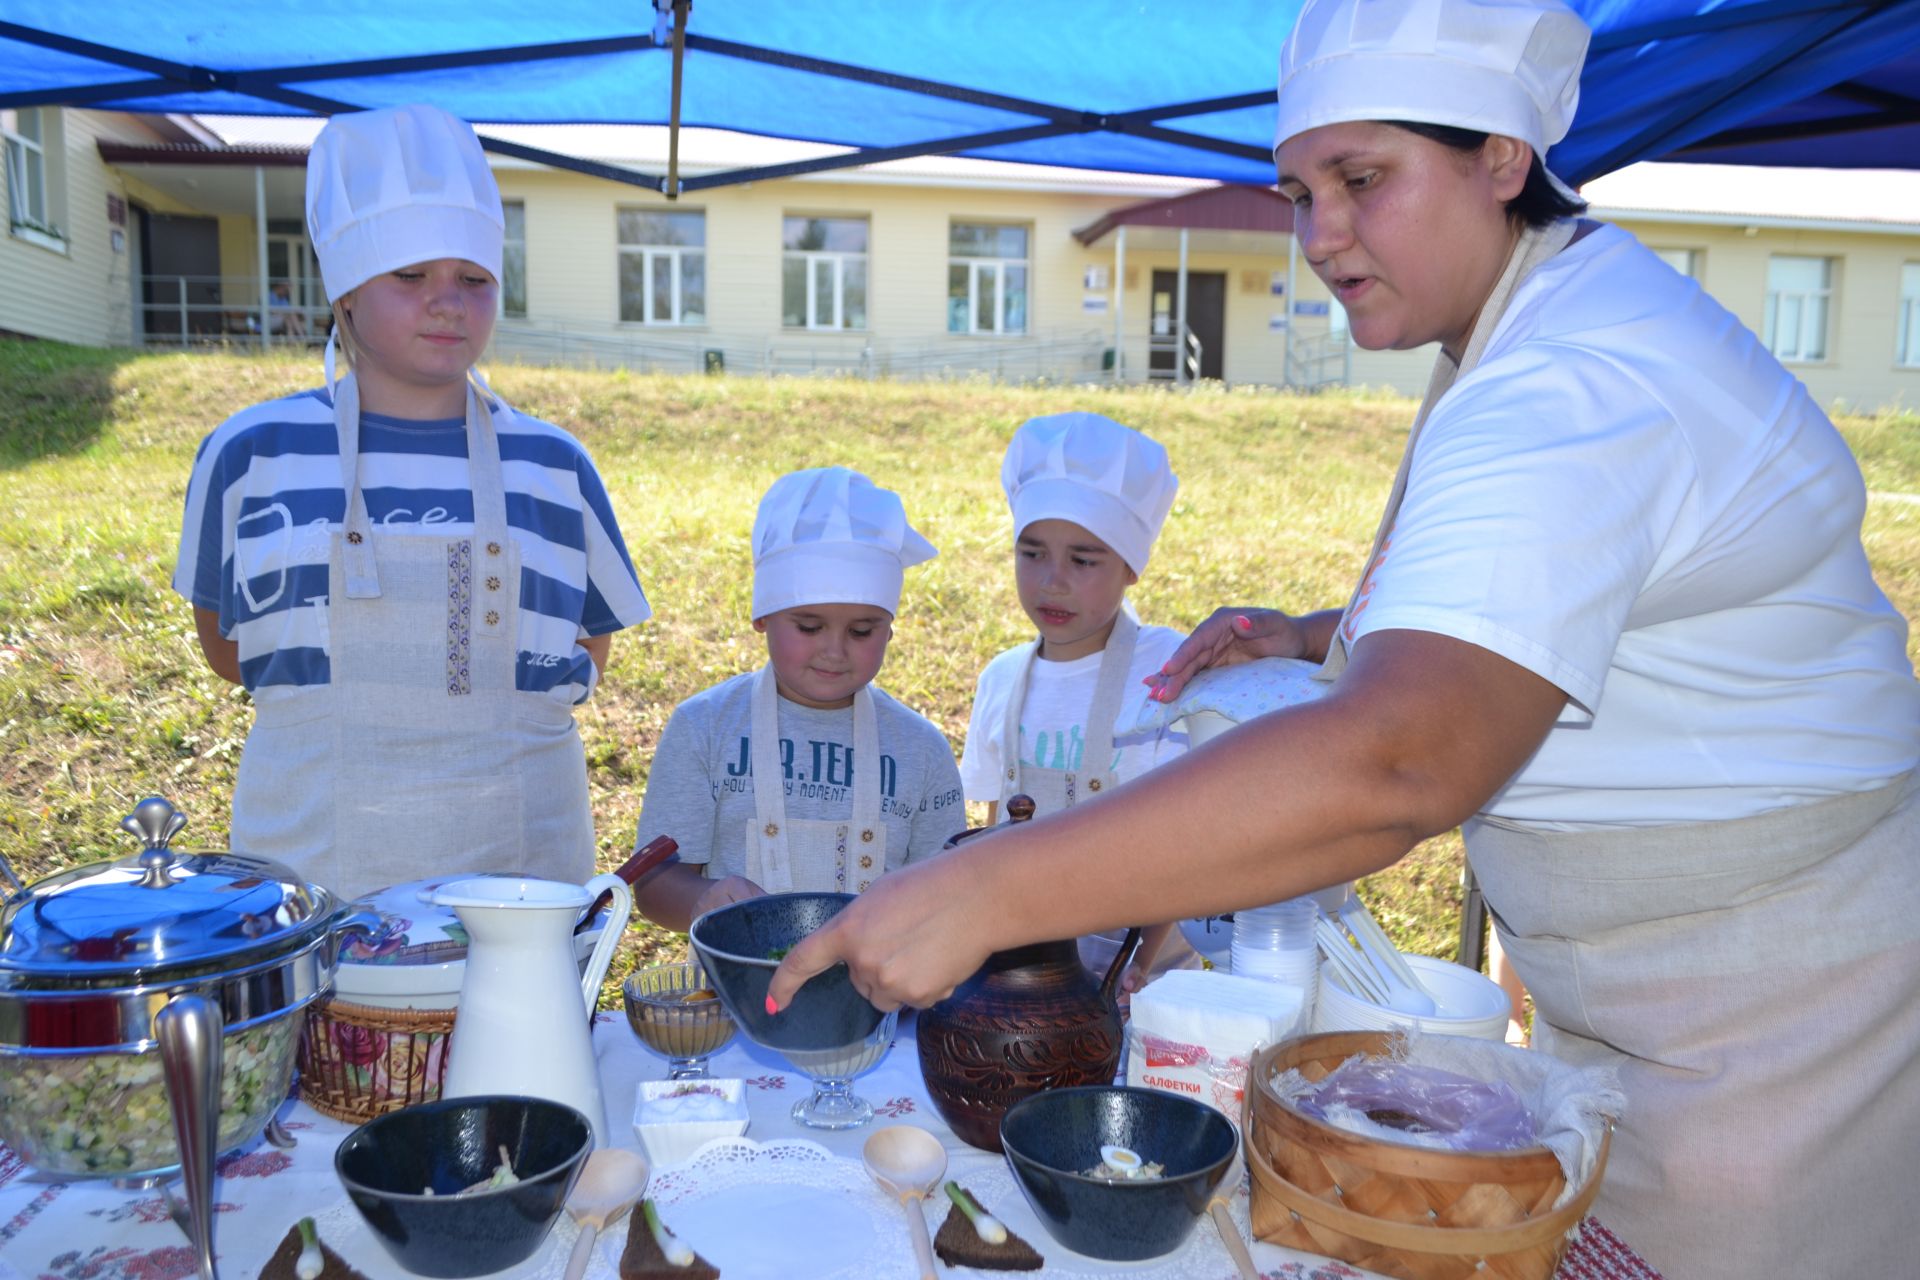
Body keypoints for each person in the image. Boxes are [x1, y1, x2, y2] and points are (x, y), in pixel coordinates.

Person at [768, 1, 1920, 1274]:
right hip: (1669, 994)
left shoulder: (1572, 381)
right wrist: (1331, 630)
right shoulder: (1534, 320)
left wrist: (985, 887)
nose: (1320, 236)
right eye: (1300, 190)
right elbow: (1591, 591)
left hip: (1773, 1012)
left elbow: (1398, 765)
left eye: (1362, 181)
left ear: (1503, 158)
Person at [174, 103, 650, 900]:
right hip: (314, 863)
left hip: (518, 872)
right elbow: (226, 649)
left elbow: (587, 647)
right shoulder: (252, 454)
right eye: (410, 275)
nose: (448, 302)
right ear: (345, 292)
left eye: (473, 279)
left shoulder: (553, 466)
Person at [633, 467, 965, 931]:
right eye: (809, 627)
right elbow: (653, 885)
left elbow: (950, 894)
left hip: (877, 996)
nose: (834, 649)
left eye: (862, 631)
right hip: (726, 997)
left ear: (890, 628)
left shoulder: (922, 750)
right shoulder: (704, 728)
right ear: (762, 618)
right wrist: (704, 900)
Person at [958, 412, 1190, 989]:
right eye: (1031, 553)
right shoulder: (1004, 679)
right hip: (1030, 979)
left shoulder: (1171, 671)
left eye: (1083, 560)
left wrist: (1137, 963)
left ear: (1132, 566)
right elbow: (994, 833)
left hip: (1149, 984)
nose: (1051, 581)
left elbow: (1187, 838)